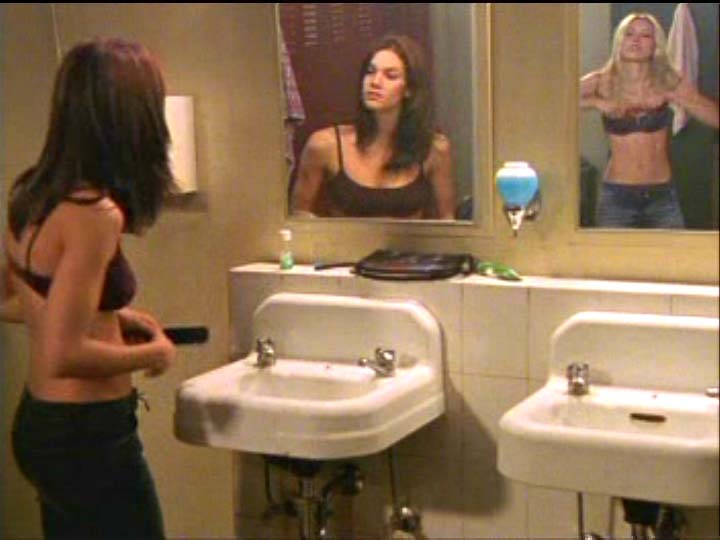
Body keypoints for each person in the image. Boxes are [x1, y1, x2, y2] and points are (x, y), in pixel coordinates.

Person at [1, 38, 177, 539]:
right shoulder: (93, 215)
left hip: (42, 425)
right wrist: (154, 353)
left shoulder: (31, 192)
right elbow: (65, 353)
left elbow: (13, 298)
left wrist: (113, 319)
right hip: (88, 436)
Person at [290, 34, 456, 219]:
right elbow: (298, 216)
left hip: (408, 239)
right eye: (370, 71)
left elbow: (448, 222)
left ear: (409, 89)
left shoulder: (434, 149)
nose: (375, 82)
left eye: (390, 76)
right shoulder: (325, 145)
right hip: (345, 238)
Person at [580, 12, 719, 229]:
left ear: (655, 45)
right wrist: (596, 103)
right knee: (612, 252)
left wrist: (681, 98)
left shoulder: (667, 81)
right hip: (617, 196)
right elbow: (556, 100)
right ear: (619, 40)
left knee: (673, 251)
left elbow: (712, 115)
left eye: (645, 35)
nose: (636, 40)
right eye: (629, 34)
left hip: (661, 195)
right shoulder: (601, 82)